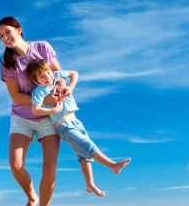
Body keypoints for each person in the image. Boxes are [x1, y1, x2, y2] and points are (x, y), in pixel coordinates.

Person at [26, 58, 131, 197]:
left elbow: (74, 73)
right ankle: (112, 165)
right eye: (42, 76)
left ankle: (90, 184)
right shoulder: (39, 91)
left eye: (48, 73)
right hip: (63, 126)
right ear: (35, 81)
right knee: (86, 144)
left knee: (84, 156)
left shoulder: (57, 77)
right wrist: (53, 111)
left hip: (76, 122)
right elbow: (35, 110)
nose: (47, 77)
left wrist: (70, 87)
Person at [0, 16, 66, 206]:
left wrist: (62, 88)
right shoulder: (8, 63)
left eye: (7, 32)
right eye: (1, 36)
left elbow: (59, 73)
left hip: (48, 117)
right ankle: (31, 198)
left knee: (49, 166)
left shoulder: (42, 47)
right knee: (16, 165)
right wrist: (41, 98)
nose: (5, 38)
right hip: (21, 117)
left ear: (19, 30)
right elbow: (16, 96)